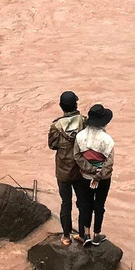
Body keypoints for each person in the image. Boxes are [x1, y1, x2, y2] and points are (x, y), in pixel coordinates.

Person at [47, 91, 85, 247]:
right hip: (80, 169)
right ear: (76, 105)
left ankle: (66, 236)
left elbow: (52, 145)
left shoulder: (56, 126)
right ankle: (82, 234)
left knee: (66, 203)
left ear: (61, 106)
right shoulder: (84, 122)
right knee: (83, 203)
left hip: (63, 171)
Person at [73, 104, 114, 247]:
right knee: (99, 206)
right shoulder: (107, 140)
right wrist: (98, 175)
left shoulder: (80, 136)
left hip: (85, 177)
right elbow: (109, 163)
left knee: (86, 205)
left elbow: (77, 156)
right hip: (102, 179)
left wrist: (89, 170)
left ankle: (86, 234)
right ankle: (97, 234)